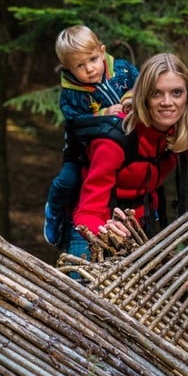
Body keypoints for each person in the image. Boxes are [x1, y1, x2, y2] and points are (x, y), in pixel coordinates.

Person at [67, 52, 188, 255]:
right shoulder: (114, 139)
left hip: (142, 221)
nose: (167, 102)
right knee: (84, 284)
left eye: (176, 93)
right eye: (156, 93)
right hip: (95, 222)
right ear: (144, 97)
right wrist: (103, 231)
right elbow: (89, 210)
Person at [43, 25, 138, 246]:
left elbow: (142, 81)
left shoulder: (122, 70)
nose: (89, 69)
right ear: (67, 67)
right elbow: (74, 120)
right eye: (79, 65)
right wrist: (103, 113)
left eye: (93, 59)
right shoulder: (72, 93)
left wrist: (130, 98)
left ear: (102, 50)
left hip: (121, 142)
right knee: (69, 180)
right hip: (80, 149)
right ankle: (54, 209)